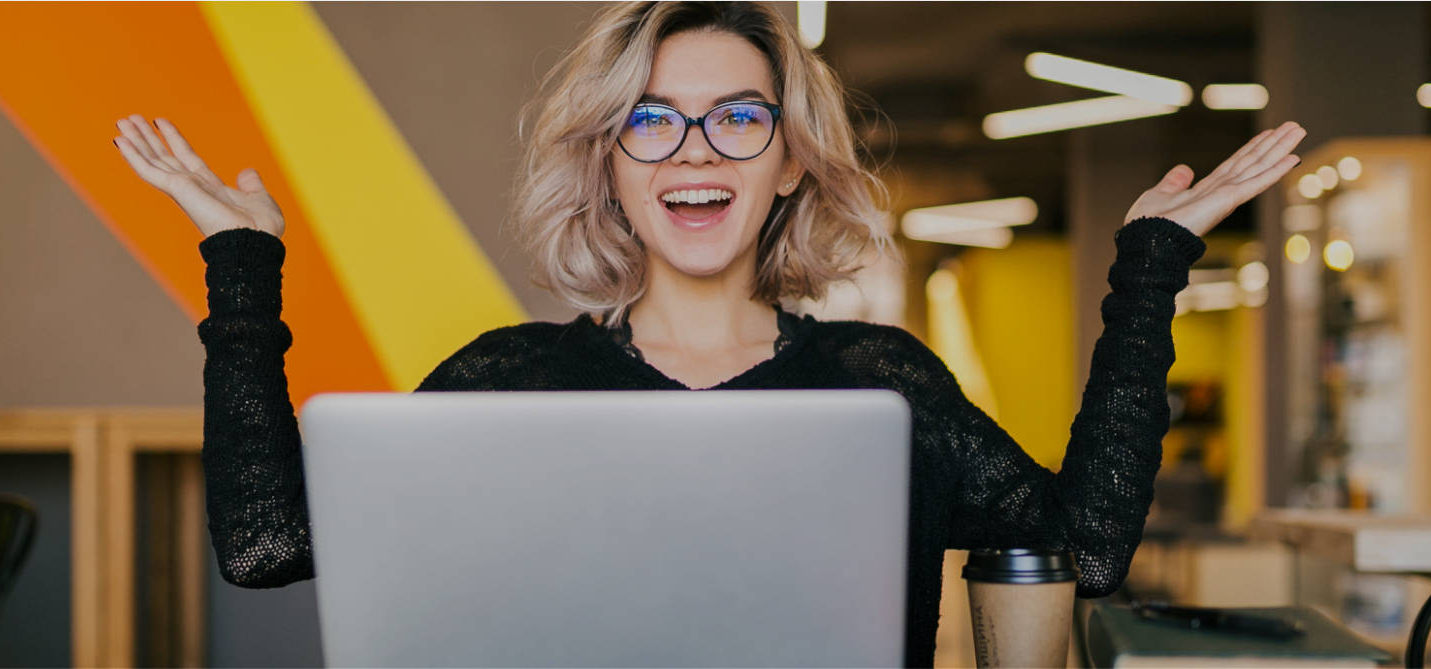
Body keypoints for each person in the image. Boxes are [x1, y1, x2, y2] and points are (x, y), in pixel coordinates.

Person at [111, 2, 1304, 664]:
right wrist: (242, 266)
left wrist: (1151, 268)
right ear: (610, 165)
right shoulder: (508, 384)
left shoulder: (876, 385)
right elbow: (267, 547)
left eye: (739, 117)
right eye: (652, 121)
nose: (693, 150)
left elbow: (1081, 553)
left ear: (790, 162)